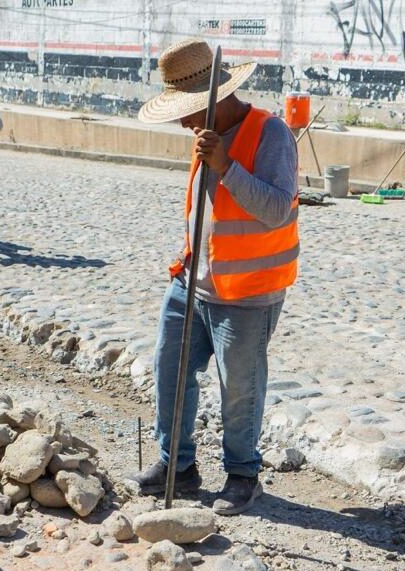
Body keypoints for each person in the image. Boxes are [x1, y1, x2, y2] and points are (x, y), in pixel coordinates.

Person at [126, 39, 300, 515]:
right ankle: (177, 466)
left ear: (217, 98)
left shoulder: (272, 134)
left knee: (239, 388)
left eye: (187, 112)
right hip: (191, 285)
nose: (183, 122)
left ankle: (243, 474)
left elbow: (277, 211)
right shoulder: (205, 134)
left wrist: (225, 165)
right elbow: (207, 213)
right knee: (170, 373)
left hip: (246, 294)